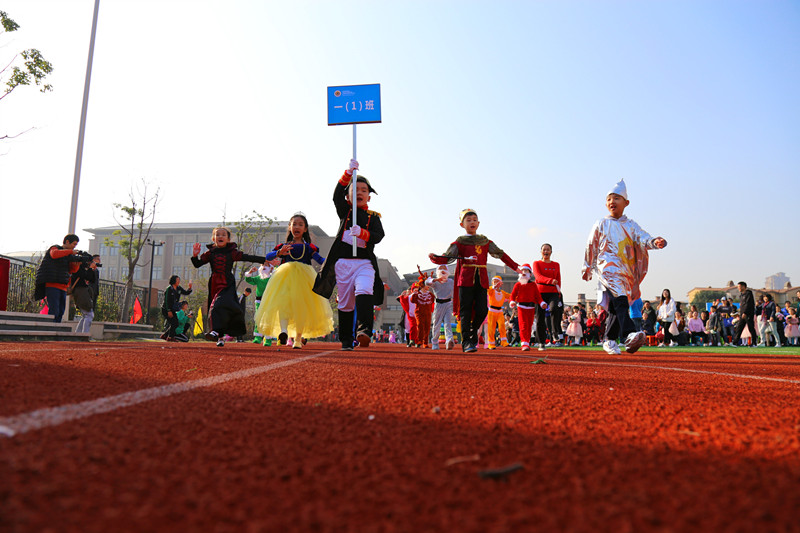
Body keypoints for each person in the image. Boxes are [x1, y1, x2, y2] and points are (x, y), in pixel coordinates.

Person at [582, 179, 667, 355]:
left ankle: (610, 339)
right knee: (620, 300)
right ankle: (630, 334)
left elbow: (643, 237)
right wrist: (587, 267)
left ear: (626, 203)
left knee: (617, 306)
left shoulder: (630, 225)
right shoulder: (601, 223)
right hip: (607, 269)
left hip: (625, 271)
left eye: (616, 198)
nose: (611, 202)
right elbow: (591, 245)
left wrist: (654, 242)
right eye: (609, 199)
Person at [313, 159, 384, 351]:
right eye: (355, 189)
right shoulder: (345, 211)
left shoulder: (374, 217)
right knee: (345, 302)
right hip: (343, 263)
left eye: (364, 190)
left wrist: (363, 234)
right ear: (348, 196)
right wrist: (348, 173)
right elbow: (336, 195)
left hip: (364, 263)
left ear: (369, 197)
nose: (359, 193)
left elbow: (379, 236)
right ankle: (346, 339)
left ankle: (364, 331)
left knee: (365, 290)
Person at [429, 209, 521, 353]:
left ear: (478, 223)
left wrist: (515, 266)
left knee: (482, 310)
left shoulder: (485, 241)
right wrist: (435, 258)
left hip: (482, 280)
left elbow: (500, 254)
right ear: (462, 224)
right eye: (468, 220)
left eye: (474, 220)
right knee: (465, 311)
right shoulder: (459, 242)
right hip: (465, 280)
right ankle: (467, 342)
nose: (472, 222)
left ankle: (472, 334)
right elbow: (447, 257)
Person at [257, 213, 334, 349]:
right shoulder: (283, 246)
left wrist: (333, 263)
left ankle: (298, 339)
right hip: (284, 277)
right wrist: (279, 253)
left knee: (301, 307)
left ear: (305, 229)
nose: (297, 227)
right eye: (294, 224)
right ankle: (283, 331)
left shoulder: (309, 247)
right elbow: (268, 257)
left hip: (304, 279)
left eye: (300, 224)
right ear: (289, 227)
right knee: (283, 303)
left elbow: (320, 260)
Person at [191, 226, 266, 347]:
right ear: (213, 238)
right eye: (217, 235)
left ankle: (215, 332)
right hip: (214, 283)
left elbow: (247, 257)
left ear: (228, 239)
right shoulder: (210, 253)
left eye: (223, 235)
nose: (220, 236)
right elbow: (197, 264)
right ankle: (220, 337)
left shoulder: (232, 252)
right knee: (217, 308)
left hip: (227, 283)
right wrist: (195, 255)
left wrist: (265, 259)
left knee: (217, 305)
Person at [33, 234, 88, 323]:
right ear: (67, 241)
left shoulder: (69, 256)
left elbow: (72, 270)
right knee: (54, 309)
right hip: (52, 284)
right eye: (74, 244)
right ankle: (51, 327)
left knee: (61, 310)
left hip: (63, 286)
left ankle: (56, 326)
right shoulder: (55, 248)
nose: (74, 247)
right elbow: (54, 254)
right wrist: (70, 252)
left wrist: (77, 263)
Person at [509, 264, 546, 351]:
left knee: (529, 326)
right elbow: (513, 295)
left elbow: (538, 296)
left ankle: (527, 342)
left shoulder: (533, 285)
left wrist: (542, 303)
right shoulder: (518, 284)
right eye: (522, 271)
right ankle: (524, 343)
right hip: (521, 307)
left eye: (526, 271)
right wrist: (512, 301)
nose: (524, 272)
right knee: (523, 325)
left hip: (531, 308)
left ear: (530, 273)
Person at [533, 243, 564, 346]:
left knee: (554, 308)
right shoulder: (536, 263)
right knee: (540, 317)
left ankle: (555, 333)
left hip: (553, 292)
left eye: (548, 250)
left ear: (551, 252)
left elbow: (558, 278)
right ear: (541, 252)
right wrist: (550, 280)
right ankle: (540, 341)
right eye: (544, 250)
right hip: (540, 292)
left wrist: (559, 291)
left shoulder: (556, 265)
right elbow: (538, 277)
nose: (546, 251)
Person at [425, 264, 455, 350]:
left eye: (444, 268)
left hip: (448, 304)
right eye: (440, 268)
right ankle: (435, 342)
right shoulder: (434, 282)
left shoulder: (451, 281)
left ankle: (449, 340)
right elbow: (426, 282)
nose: (443, 270)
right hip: (438, 304)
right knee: (436, 324)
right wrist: (436, 279)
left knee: (447, 323)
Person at [245, 263, 275, 345]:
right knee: (258, 318)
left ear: (271, 268)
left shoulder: (272, 278)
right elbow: (248, 280)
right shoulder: (258, 278)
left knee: (268, 319)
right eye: (262, 265)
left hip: (269, 302)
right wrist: (250, 272)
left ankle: (268, 339)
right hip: (259, 301)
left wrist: (274, 272)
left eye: (266, 265)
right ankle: (257, 337)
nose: (264, 267)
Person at [72, 254, 100, 334]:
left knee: (86, 315)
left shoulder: (85, 268)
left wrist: (92, 269)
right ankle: (84, 334)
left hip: (83, 291)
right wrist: (90, 268)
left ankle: (78, 334)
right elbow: (83, 275)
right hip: (80, 291)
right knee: (89, 314)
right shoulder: (78, 267)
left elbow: (91, 279)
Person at [161, 275, 193, 341]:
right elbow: (166, 300)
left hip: (173, 309)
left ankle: (165, 335)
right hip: (166, 309)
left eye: (179, 280)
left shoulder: (179, 288)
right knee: (174, 322)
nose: (179, 281)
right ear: (173, 280)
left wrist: (189, 288)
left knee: (175, 323)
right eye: (177, 280)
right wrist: (169, 310)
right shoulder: (169, 289)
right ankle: (170, 337)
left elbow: (186, 292)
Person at [486, 276, 512, 349]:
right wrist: (494, 287)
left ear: (501, 283)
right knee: (491, 328)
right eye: (494, 281)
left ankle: (504, 342)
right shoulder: (491, 290)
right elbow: (488, 290)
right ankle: (491, 344)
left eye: (497, 281)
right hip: (492, 311)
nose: (496, 283)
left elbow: (511, 296)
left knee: (502, 326)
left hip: (500, 311)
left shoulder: (503, 293)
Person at [730, 281, 756, 348]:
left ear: (743, 287)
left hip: (748, 314)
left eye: (739, 287)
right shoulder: (741, 295)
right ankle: (735, 343)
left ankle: (754, 343)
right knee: (739, 328)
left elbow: (748, 304)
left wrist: (745, 312)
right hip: (742, 314)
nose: (738, 288)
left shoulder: (748, 293)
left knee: (751, 328)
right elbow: (742, 305)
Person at [410, 280, 434, 349]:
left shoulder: (430, 294)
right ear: (422, 285)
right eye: (427, 284)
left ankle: (425, 342)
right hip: (419, 312)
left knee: (427, 327)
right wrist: (414, 293)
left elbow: (433, 300)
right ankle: (419, 341)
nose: (429, 286)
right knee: (420, 325)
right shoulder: (417, 293)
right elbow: (412, 300)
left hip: (428, 313)